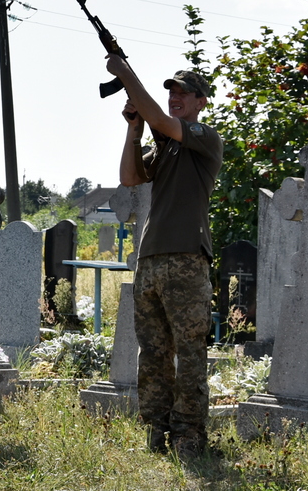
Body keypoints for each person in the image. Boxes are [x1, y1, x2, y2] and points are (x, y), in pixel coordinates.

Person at [108, 60, 223, 458]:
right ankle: (157, 431)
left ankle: (189, 434)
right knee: (153, 351)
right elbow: (129, 176)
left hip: (188, 258)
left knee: (189, 350)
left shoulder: (204, 137)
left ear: (201, 102)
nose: (175, 98)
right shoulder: (169, 145)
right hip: (152, 259)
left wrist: (124, 74)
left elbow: (158, 115)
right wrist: (133, 127)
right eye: (171, 91)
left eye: (183, 92)